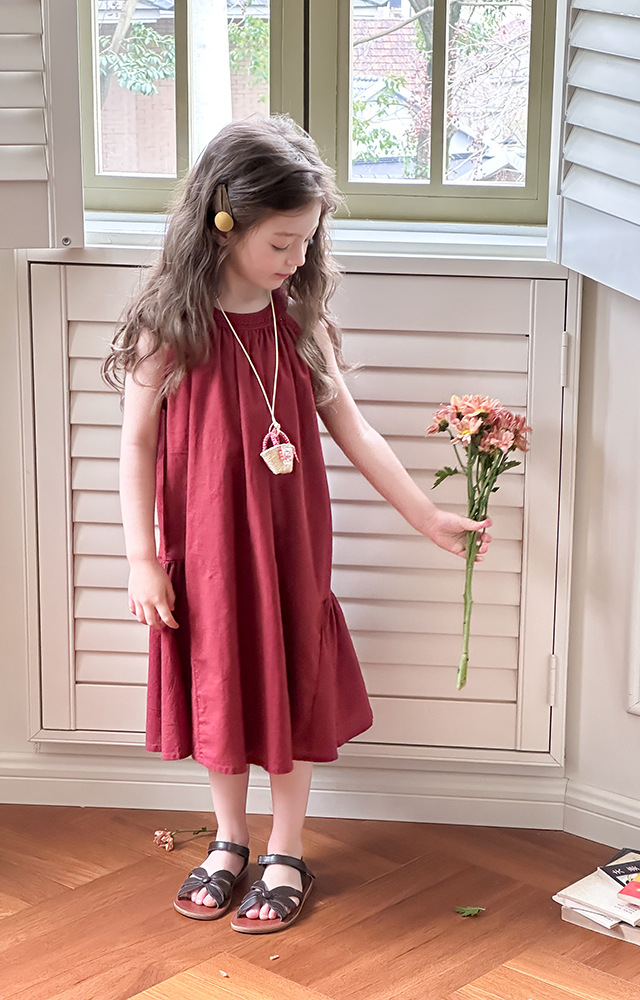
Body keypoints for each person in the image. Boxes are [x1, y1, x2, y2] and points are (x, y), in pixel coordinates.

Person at [105, 116, 492, 934]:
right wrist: (142, 558)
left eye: (308, 242)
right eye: (282, 242)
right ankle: (230, 839)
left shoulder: (297, 322)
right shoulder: (170, 328)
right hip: (206, 550)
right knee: (218, 680)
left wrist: (425, 515)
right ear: (224, 222)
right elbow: (136, 444)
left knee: (294, 680)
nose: (297, 259)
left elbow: (354, 428)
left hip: (291, 549)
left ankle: (287, 848)